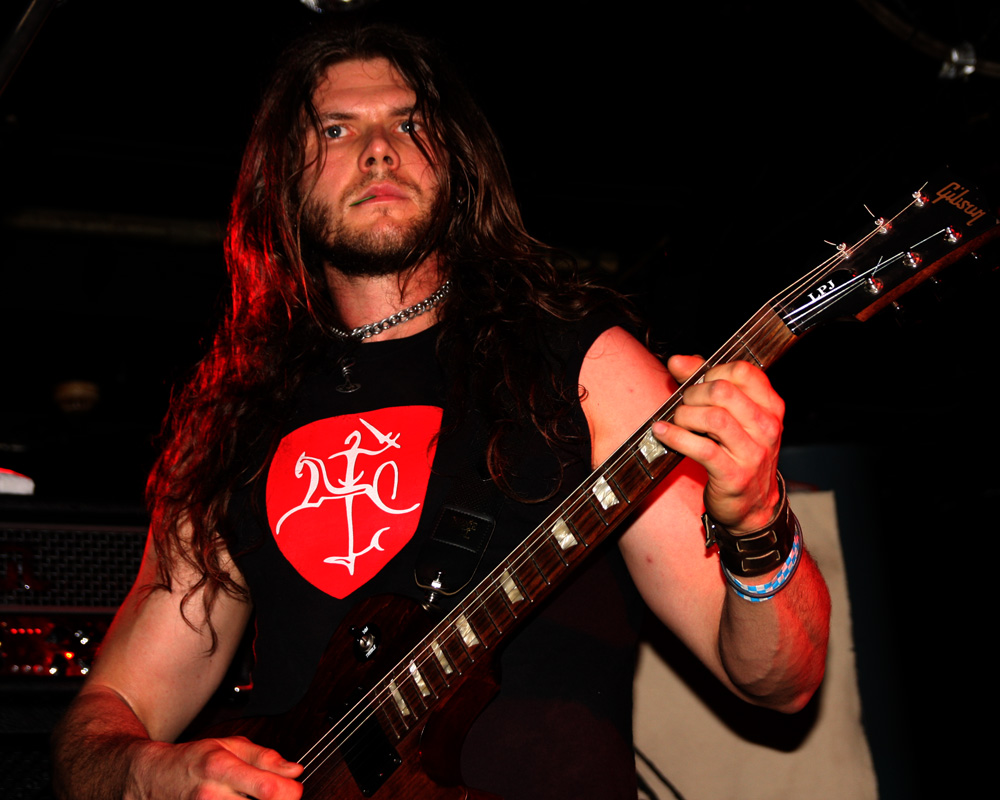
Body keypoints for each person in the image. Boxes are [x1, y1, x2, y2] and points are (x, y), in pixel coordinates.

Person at [52, 22, 830, 800]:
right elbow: (102, 720)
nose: (380, 150)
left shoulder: (585, 365)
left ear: (454, 162)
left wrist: (757, 521)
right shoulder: (234, 423)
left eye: (409, 123)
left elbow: (781, 679)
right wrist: (151, 771)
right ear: (282, 180)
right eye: (336, 129)